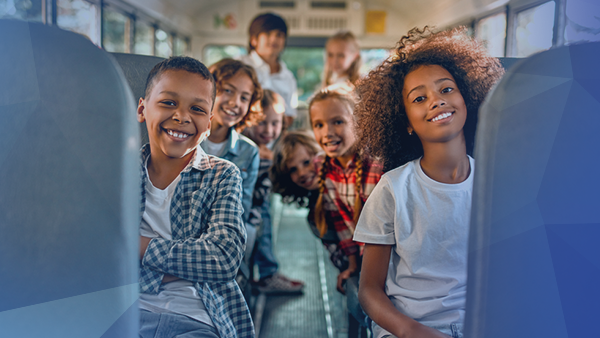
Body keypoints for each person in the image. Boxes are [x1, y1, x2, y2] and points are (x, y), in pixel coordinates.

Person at [352, 27, 504, 338]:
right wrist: (411, 331)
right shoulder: (393, 190)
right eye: (419, 98)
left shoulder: (498, 185)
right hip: (405, 328)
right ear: (405, 120)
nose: (436, 101)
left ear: (467, 96)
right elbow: (369, 290)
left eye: (446, 89)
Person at [136, 56, 254, 338]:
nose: (182, 116)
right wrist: (185, 264)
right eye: (168, 102)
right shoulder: (117, 171)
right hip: (123, 311)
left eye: (197, 108)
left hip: (197, 316)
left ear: (209, 123)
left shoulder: (222, 175)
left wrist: (137, 246)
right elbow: (96, 251)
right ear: (142, 109)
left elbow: (222, 258)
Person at [309, 87, 383, 294]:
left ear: (359, 124)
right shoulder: (322, 164)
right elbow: (342, 222)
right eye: (319, 125)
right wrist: (353, 265)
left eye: (338, 122)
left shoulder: (377, 165)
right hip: (361, 256)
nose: (328, 132)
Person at [242, 90, 305, 293]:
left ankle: (263, 273)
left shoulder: (268, 148)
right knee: (263, 223)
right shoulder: (252, 151)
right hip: (249, 209)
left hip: (259, 206)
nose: (268, 129)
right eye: (262, 122)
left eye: (275, 123)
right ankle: (266, 274)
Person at [240, 12, 297, 128]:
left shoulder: (288, 77)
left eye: (279, 35)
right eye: (268, 33)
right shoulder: (239, 66)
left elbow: (290, 115)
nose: (274, 39)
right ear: (254, 39)